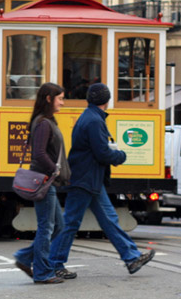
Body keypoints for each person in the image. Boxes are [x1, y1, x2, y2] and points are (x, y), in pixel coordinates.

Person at [48, 83, 156, 277]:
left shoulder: (89, 117)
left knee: (108, 220)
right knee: (72, 222)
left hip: (89, 179)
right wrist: (120, 156)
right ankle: (53, 264)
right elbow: (102, 153)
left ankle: (131, 258)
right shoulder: (94, 121)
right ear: (107, 100)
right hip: (85, 179)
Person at [14, 83, 71, 284]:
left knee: (58, 226)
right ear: (48, 99)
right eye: (60, 99)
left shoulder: (46, 121)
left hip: (48, 181)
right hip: (45, 181)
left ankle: (25, 257)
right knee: (46, 227)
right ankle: (42, 272)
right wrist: (54, 170)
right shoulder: (44, 123)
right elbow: (38, 153)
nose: (62, 103)